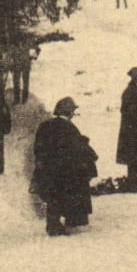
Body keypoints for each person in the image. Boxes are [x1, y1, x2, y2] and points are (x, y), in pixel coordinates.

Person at [31, 97, 97, 236]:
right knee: (68, 194)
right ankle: (68, 222)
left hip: (48, 170)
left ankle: (52, 225)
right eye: (72, 110)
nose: (73, 113)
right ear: (68, 112)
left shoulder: (45, 125)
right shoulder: (69, 128)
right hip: (65, 171)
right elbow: (77, 149)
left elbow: (38, 148)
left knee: (52, 198)